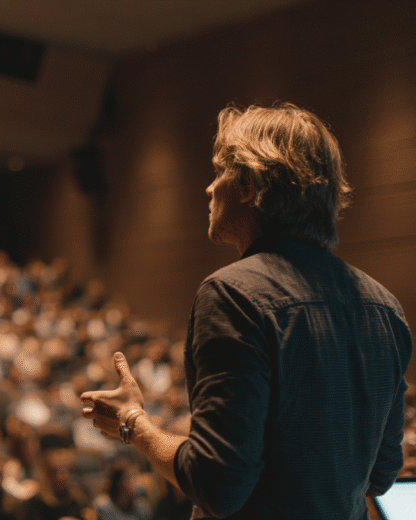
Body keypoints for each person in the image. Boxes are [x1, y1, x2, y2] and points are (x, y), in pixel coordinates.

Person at [80, 102, 413, 519]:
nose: (209, 188)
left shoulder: (233, 295)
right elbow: (381, 475)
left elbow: (218, 484)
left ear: (248, 186)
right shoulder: (385, 307)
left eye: (220, 172)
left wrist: (133, 423)